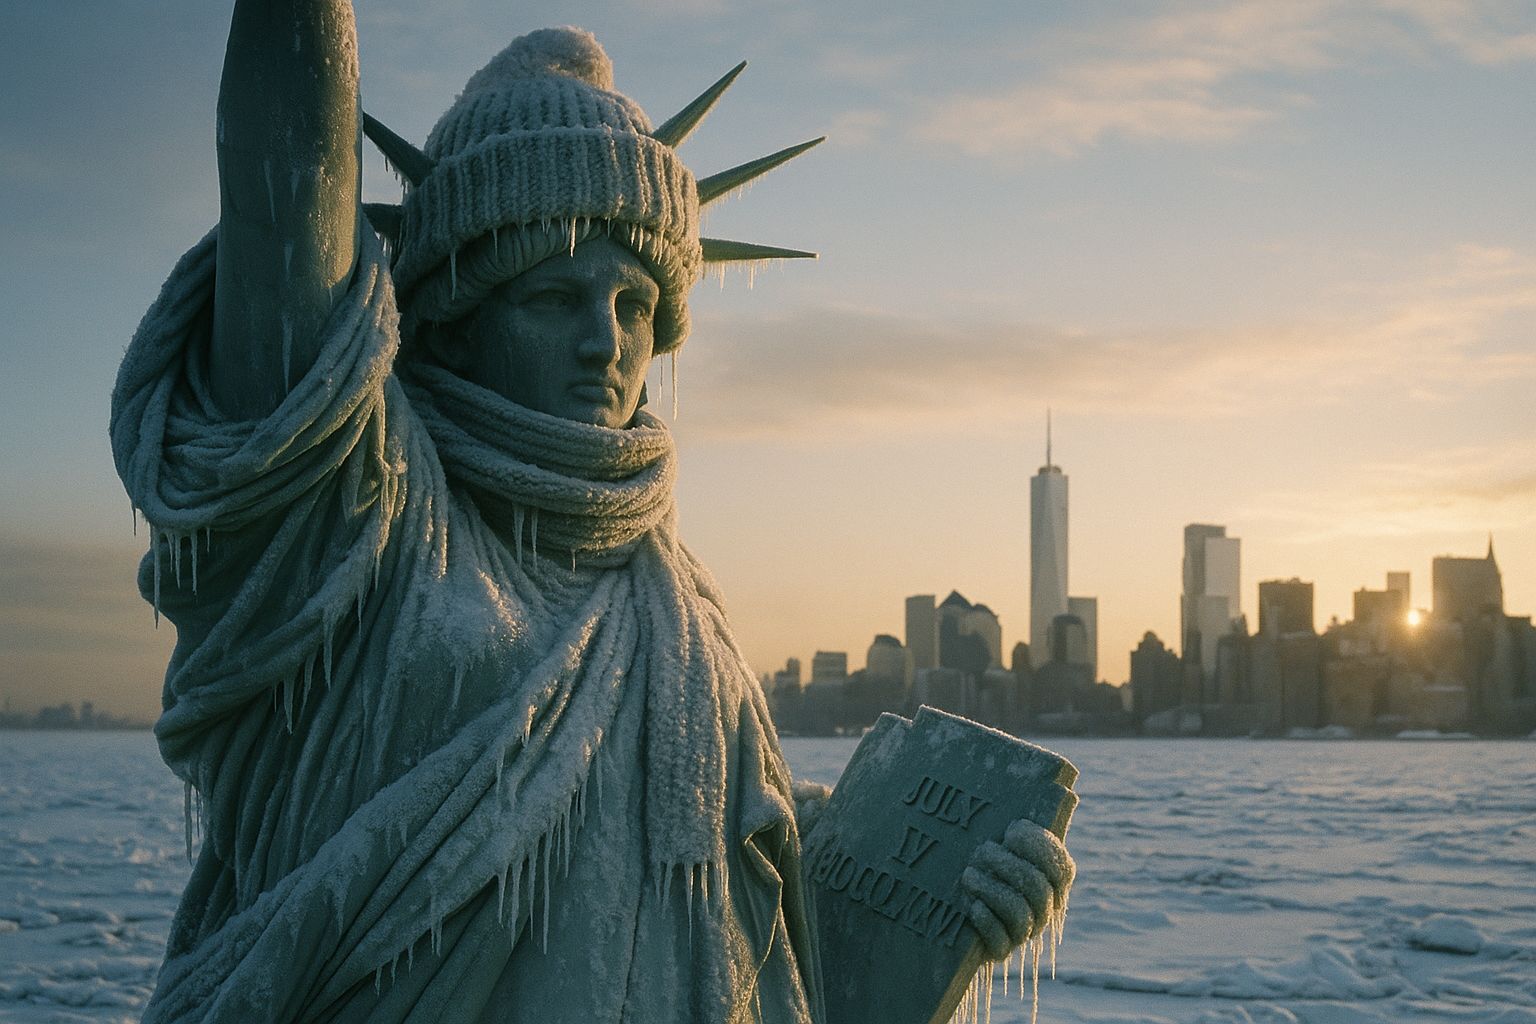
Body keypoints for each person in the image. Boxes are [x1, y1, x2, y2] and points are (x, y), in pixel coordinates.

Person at [110, 3, 1075, 1021]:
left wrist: (943, 898)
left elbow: (761, 936)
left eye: (634, 302)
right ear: (461, 316)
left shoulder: (675, 598)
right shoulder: (366, 516)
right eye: (553, 297)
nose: (603, 341)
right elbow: (287, 188)